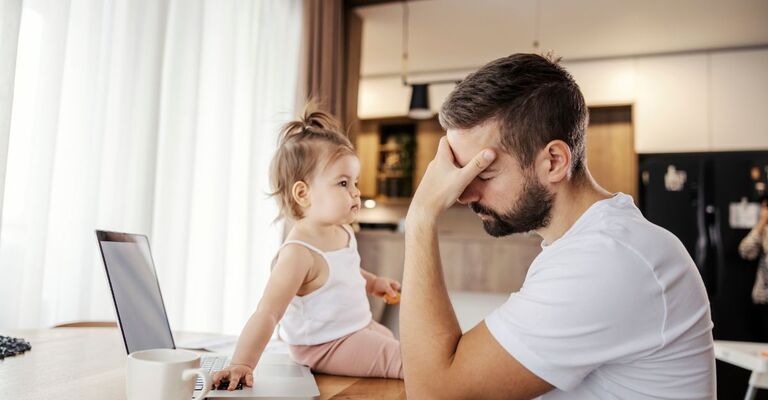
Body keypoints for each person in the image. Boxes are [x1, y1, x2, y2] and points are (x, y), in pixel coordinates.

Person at [399, 53, 715, 399]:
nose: (462, 193)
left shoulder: (606, 260)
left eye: (483, 173)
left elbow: (435, 393)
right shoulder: (590, 245)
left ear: (554, 161)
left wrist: (421, 217)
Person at [212, 105, 403, 391]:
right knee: (405, 360)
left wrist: (373, 282)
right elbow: (268, 313)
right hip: (323, 345)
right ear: (303, 193)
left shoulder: (342, 231)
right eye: (342, 183)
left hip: (355, 329)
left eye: (355, 182)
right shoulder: (298, 254)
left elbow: (345, 272)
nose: (355, 191)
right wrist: (243, 362)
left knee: (394, 340)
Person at [739, 195, 768, 305]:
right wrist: (762, 223)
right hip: (763, 299)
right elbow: (745, 251)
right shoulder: (764, 230)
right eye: (763, 207)